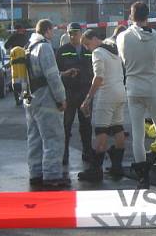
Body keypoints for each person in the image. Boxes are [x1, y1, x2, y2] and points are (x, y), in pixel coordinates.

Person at [117, 1, 156, 188]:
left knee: (138, 133)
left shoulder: (122, 37)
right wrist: (154, 70)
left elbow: (123, 61)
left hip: (133, 88)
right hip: (153, 87)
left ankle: (143, 177)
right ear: (148, 16)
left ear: (131, 15)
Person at [24, 19, 69, 189]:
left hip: (31, 99)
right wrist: (61, 98)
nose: (54, 34)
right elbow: (52, 76)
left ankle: (35, 174)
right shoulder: (45, 47)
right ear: (47, 30)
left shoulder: (29, 47)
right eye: (53, 30)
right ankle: (52, 176)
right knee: (53, 138)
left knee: (34, 139)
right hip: (46, 100)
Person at [78, 29, 127, 182]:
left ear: (94, 39)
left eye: (87, 44)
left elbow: (98, 78)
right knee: (118, 127)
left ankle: (96, 169)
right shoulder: (114, 51)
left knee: (101, 129)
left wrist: (88, 98)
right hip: (120, 92)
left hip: (106, 94)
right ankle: (117, 166)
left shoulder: (98, 52)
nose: (87, 48)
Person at [55, 22, 94, 166]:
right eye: (70, 33)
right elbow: (56, 72)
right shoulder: (62, 50)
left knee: (86, 125)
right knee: (66, 125)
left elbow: (95, 69)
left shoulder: (88, 49)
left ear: (81, 34)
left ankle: (87, 152)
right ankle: (64, 154)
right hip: (69, 93)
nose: (73, 36)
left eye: (76, 33)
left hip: (85, 92)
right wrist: (66, 74)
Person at [5, 24, 29, 105]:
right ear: (21, 29)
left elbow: (6, 46)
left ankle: (17, 99)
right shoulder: (25, 37)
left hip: (15, 63)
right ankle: (24, 97)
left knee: (15, 81)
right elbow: (30, 46)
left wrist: (12, 49)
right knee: (25, 81)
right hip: (24, 62)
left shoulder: (13, 37)